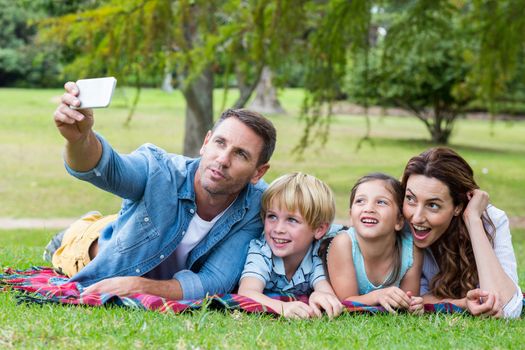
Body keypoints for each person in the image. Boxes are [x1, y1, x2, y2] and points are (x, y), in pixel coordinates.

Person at [49, 81, 276, 300]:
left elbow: (215, 280)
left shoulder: (256, 206)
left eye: (241, 154)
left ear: (258, 173)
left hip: (135, 233)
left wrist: (138, 286)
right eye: (220, 143)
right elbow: (107, 169)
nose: (223, 159)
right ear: (206, 142)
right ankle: (78, 229)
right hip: (86, 245)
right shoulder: (159, 170)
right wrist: (79, 140)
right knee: (87, 234)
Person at [401, 147, 523, 318]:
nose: (416, 218)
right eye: (411, 199)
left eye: (433, 205)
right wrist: (462, 304)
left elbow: (506, 307)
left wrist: (473, 220)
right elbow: (411, 299)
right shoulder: (400, 223)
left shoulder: (491, 222)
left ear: (458, 206)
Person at [238, 173, 344, 319]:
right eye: (272, 216)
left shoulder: (317, 250)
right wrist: (281, 307)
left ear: (319, 229)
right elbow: (246, 293)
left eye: (292, 220)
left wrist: (321, 296)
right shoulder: (261, 250)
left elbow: (324, 288)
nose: (278, 229)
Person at [324, 173, 423, 314]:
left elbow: (408, 298)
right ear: (351, 216)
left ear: (399, 220)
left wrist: (413, 304)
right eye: (360, 201)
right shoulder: (343, 244)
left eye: (381, 202)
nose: (369, 208)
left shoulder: (411, 250)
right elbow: (345, 301)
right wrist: (378, 295)